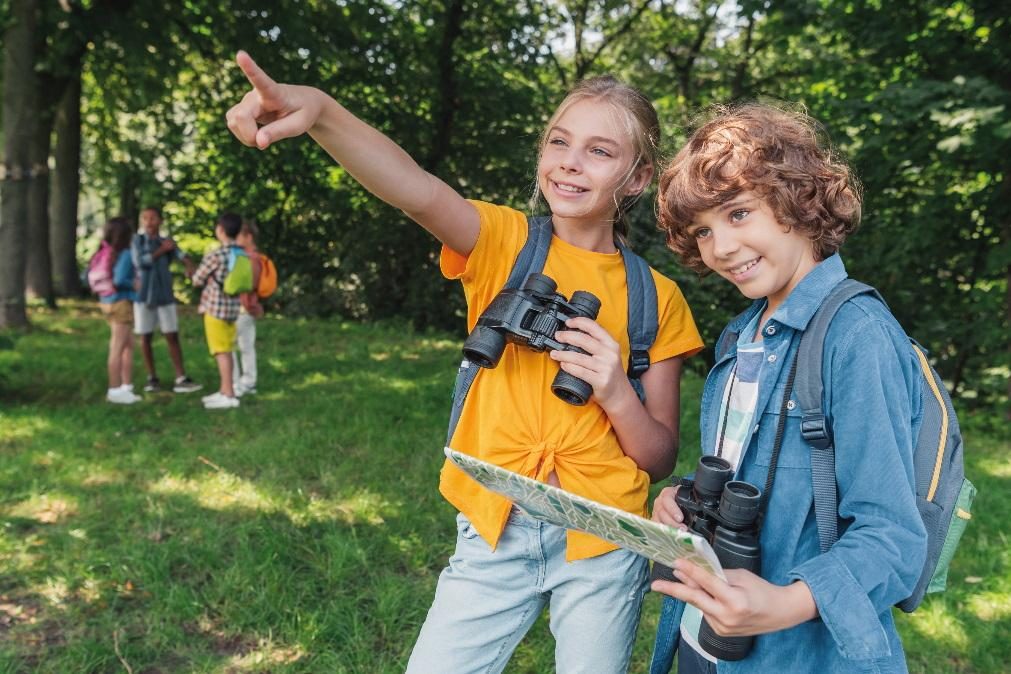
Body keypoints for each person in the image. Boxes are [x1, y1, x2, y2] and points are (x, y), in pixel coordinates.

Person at [225, 51, 703, 673]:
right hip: (494, 525)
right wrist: (321, 111)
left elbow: (659, 457)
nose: (569, 162)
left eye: (599, 151)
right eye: (559, 142)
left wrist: (614, 390)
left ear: (636, 178)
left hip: (601, 543)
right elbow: (413, 187)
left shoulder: (656, 299)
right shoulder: (504, 243)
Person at [648, 103, 927, 673]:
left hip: (797, 655)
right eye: (703, 231)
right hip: (706, 641)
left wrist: (782, 604)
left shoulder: (856, 336)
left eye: (739, 213)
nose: (720, 247)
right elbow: (738, 467)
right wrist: (681, 498)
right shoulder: (740, 336)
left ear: (797, 202)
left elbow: (893, 538)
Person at [131, 206, 202, 394]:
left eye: (153, 218)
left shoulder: (167, 241)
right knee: (145, 336)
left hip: (165, 295)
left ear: (160, 221)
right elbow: (140, 262)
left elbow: (180, 254)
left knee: (172, 334)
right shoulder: (137, 241)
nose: (149, 222)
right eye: (145, 218)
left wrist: (189, 265)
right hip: (144, 296)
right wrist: (161, 251)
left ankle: (181, 377)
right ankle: (152, 377)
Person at [191, 212, 244, 410]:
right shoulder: (241, 254)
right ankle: (225, 390)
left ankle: (228, 394)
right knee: (227, 349)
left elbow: (197, 279)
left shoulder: (216, 254)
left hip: (215, 308)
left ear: (220, 230)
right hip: (233, 308)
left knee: (220, 351)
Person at [99, 216, 143, 405]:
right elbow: (118, 280)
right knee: (117, 348)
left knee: (128, 344)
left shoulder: (104, 251)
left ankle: (126, 386)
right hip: (121, 303)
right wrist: (133, 283)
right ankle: (115, 390)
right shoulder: (124, 254)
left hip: (106, 301)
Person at [232, 220, 264, 396]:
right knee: (245, 345)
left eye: (238, 236)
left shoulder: (250, 259)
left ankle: (239, 382)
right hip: (247, 307)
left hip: (243, 307)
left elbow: (249, 286)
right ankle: (245, 381)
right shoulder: (252, 257)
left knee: (237, 344)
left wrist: (248, 304)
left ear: (248, 237)